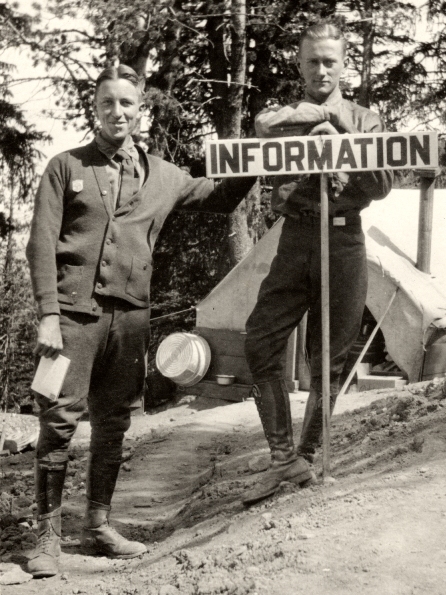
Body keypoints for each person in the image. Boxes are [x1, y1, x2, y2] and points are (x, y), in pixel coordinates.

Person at [25, 64, 255, 578]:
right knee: (59, 419)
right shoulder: (66, 167)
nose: (117, 112)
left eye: (127, 103)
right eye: (107, 103)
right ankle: (46, 535)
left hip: (129, 322)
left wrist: (254, 159)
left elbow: (217, 198)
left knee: (114, 421)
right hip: (72, 320)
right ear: (96, 109)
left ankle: (100, 525)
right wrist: (47, 314)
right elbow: (40, 242)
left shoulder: (164, 174)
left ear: (139, 110)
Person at [242, 22, 394, 505]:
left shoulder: (366, 119)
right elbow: (261, 130)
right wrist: (297, 119)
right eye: (312, 61)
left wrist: (343, 131)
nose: (322, 69)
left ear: (344, 65)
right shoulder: (286, 115)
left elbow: (383, 183)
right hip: (295, 237)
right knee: (261, 340)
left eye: (330, 60)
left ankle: (305, 458)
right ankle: (282, 458)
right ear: (300, 65)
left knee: (329, 358)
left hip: (344, 239)